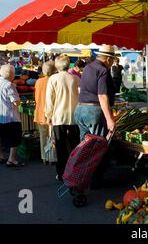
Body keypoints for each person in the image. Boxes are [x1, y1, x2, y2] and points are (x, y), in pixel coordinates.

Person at [74, 45, 116, 188]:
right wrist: (110, 120)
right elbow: (102, 96)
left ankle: (80, 175)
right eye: (113, 59)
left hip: (80, 109)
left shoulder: (88, 67)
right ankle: (93, 179)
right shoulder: (103, 70)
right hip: (93, 111)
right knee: (96, 147)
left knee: (84, 146)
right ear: (108, 59)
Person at [45, 54, 80, 182]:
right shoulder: (76, 79)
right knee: (74, 146)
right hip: (74, 117)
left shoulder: (53, 79)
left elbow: (50, 100)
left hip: (59, 117)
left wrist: (48, 115)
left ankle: (61, 173)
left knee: (60, 146)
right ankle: (74, 171)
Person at [0, 65, 24, 167]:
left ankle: (0, 157)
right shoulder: (9, 85)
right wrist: (20, 101)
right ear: (11, 74)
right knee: (14, 138)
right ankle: (12, 159)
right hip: (10, 117)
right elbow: (16, 102)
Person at [34, 61, 56, 164]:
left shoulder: (38, 81)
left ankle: (44, 157)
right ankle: (51, 157)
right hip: (51, 112)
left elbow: (36, 97)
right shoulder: (54, 80)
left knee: (43, 136)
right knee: (52, 136)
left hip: (40, 111)